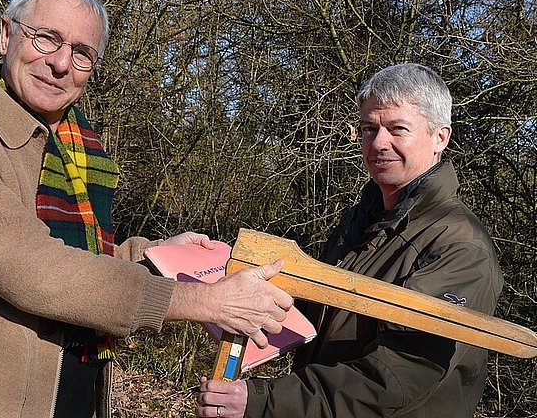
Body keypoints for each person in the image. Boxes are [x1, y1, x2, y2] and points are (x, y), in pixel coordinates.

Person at [0, 0, 293, 417]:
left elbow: (78, 257)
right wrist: (205, 301)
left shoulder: (76, 147)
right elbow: (36, 269)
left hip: (72, 390)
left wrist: (155, 259)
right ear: (6, 34)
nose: (61, 63)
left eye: (82, 53)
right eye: (47, 38)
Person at [197, 63, 504, 418]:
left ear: (440, 137)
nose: (378, 143)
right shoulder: (363, 220)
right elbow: (315, 320)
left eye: (397, 129)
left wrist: (265, 402)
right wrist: (222, 284)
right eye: (369, 128)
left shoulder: (459, 246)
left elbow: (396, 379)